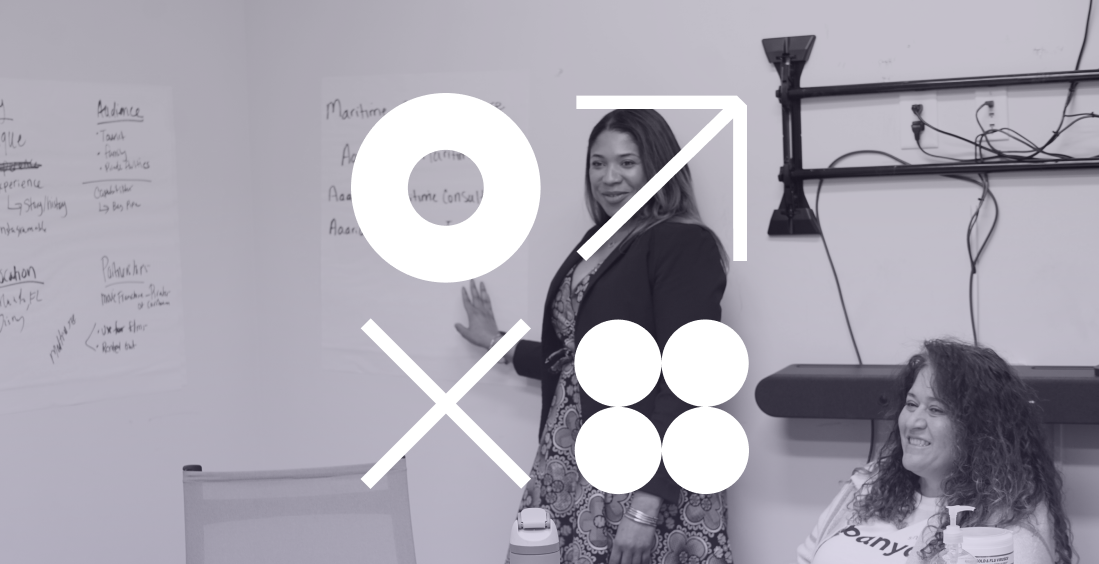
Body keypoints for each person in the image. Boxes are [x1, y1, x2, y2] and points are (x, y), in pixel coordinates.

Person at [456, 109, 732, 564]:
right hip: (570, 461)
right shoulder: (600, 238)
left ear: (659, 167)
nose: (609, 178)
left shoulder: (683, 243)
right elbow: (578, 357)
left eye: (627, 162)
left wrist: (646, 504)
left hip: (646, 472)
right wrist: (496, 343)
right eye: (597, 163)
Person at [796, 339, 1075, 564]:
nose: (913, 422)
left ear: (980, 429)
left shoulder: (1010, 523)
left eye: (935, 409)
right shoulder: (869, 482)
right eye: (911, 404)